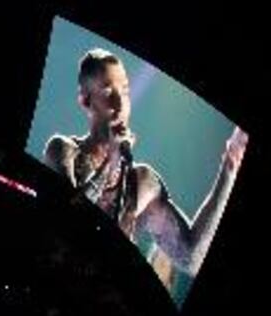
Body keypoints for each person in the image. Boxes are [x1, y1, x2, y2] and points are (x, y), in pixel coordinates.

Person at [43, 48, 247, 281]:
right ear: (86, 100)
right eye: (109, 92)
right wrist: (111, 161)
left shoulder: (142, 183)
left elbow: (191, 258)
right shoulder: (63, 151)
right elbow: (68, 221)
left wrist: (230, 167)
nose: (120, 104)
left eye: (125, 92)